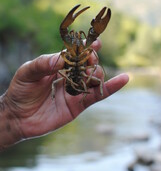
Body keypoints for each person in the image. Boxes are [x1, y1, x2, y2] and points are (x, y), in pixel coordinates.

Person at [0, 39, 129, 151]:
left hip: (77, 84)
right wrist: (11, 112)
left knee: (93, 72)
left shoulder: (83, 54)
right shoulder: (67, 57)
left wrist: (12, 112)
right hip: (72, 84)